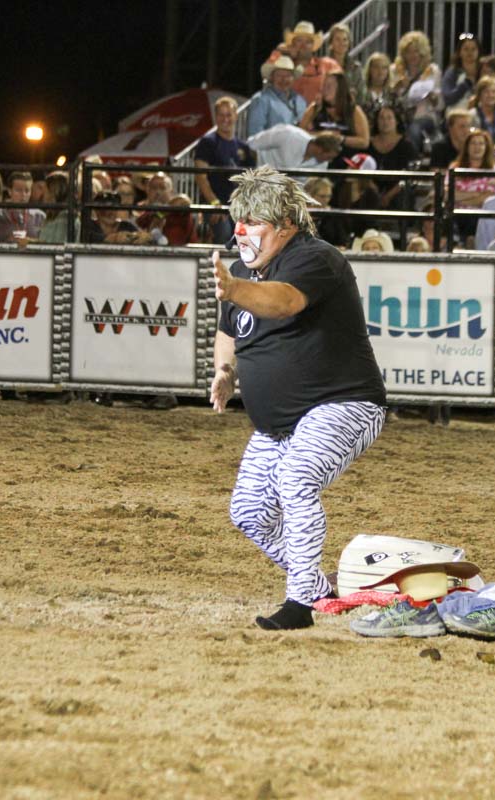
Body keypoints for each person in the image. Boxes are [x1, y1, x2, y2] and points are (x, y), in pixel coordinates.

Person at [209, 165, 386, 631]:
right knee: (248, 512)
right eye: (239, 220)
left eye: (253, 221)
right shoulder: (245, 273)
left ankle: (301, 602)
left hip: (344, 403)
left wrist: (236, 288)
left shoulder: (315, 257)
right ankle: (320, 586)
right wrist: (225, 371)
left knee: (296, 478)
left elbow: (285, 301)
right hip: (280, 424)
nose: (241, 231)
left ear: (285, 225)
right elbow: (228, 331)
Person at [196, 96, 257, 244]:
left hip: (239, 207)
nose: (225, 119)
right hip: (215, 205)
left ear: (236, 115)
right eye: (221, 115)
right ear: (216, 117)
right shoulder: (207, 143)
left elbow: (252, 181)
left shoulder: (244, 147)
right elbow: (200, 176)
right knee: (225, 233)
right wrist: (214, 203)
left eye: (229, 114)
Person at [390, 30, 443, 151]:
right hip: (399, 116)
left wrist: (432, 97)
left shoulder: (432, 71)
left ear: (423, 53)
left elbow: (440, 105)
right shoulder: (394, 70)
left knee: (414, 129)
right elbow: (388, 98)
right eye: (408, 52)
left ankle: (412, 158)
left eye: (416, 51)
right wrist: (397, 87)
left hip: (424, 116)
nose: (412, 55)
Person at [447, 127, 495, 248]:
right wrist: (476, 194)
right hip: (456, 214)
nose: (477, 147)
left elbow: (489, 197)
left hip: (481, 215)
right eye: (473, 143)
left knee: (474, 217)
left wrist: (461, 197)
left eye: (481, 144)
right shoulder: (455, 167)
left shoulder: (494, 170)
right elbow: (448, 194)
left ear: (486, 147)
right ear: (467, 147)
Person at [299, 72, 370, 156]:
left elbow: (364, 142)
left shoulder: (353, 110)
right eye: (324, 86)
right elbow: (300, 134)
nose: (325, 89)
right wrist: (321, 136)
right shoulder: (315, 108)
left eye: (329, 86)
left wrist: (340, 139)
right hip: (319, 159)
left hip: (346, 158)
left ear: (340, 89)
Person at [271, 21, 340, 105]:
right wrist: (283, 51)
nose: (303, 46)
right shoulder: (282, 65)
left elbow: (342, 89)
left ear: (313, 46)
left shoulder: (327, 64)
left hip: (319, 112)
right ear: (292, 44)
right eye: (299, 41)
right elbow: (266, 71)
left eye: (308, 42)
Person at [367, 105, 418, 209]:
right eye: (381, 118)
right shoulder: (368, 144)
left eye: (389, 118)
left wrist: (388, 196)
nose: (385, 122)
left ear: (396, 121)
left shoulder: (406, 145)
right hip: (372, 188)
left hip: (397, 190)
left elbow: (409, 175)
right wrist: (372, 188)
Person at [248, 56, 308, 137]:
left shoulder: (300, 101)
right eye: (279, 75)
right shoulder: (261, 99)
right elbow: (255, 134)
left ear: (293, 78)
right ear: (271, 78)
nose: (284, 79)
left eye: (288, 75)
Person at [248, 125, 342, 171]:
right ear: (320, 150)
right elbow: (253, 144)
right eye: (329, 157)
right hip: (253, 170)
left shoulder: (322, 165)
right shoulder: (289, 134)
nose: (329, 161)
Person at [0, 171, 44, 242]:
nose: (23, 195)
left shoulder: (39, 216)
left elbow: (46, 242)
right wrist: (7, 242)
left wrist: (30, 241)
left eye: (27, 191)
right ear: (9, 191)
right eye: (18, 190)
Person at [442, 32, 482, 111]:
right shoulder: (452, 72)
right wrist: (466, 83)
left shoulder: (483, 70)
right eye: (466, 49)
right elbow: (447, 98)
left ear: (478, 52)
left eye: (473, 49)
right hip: (456, 113)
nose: (470, 53)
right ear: (459, 52)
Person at [326, 24, 365, 104]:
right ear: (331, 43)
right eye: (338, 39)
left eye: (345, 39)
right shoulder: (323, 65)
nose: (342, 43)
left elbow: (361, 96)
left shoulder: (356, 68)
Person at [358, 52, 396, 122]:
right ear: (369, 69)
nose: (380, 71)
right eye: (376, 67)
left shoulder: (392, 93)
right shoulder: (361, 92)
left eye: (384, 68)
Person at [467, 76, 495, 142]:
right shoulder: (471, 115)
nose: (490, 95)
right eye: (486, 92)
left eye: (494, 92)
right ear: (479, 94)